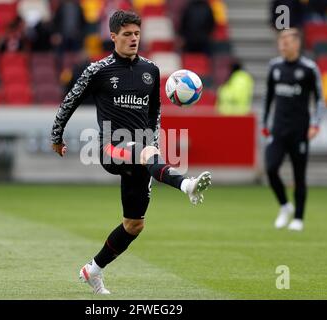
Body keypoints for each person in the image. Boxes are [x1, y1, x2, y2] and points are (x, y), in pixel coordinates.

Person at [50, 10, 211, 294]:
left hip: (142, 153)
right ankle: (186, 184)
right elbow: (70, 100)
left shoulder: (151, 71)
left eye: (137, 34)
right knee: (145, 151)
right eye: (127, 34)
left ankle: (93, 270)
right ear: (113, 37)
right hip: (111, 147)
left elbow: (154, 116)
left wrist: (155, 152)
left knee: (134, 224)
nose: (133, 39)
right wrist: (57, 136)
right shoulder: (98, 70)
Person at [262, 28, 324, 232]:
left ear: (297, 43)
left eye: (286, 41)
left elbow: (320, 99)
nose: (282, 44)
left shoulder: (309, 68)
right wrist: (264, 123)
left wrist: (315, 124)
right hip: (278, 129)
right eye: (281, 41)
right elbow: (268, 97)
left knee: (299, 175)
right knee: (271, 168)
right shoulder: (275, 66)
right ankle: (284, 206)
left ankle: (298, 217)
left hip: (300, 130)